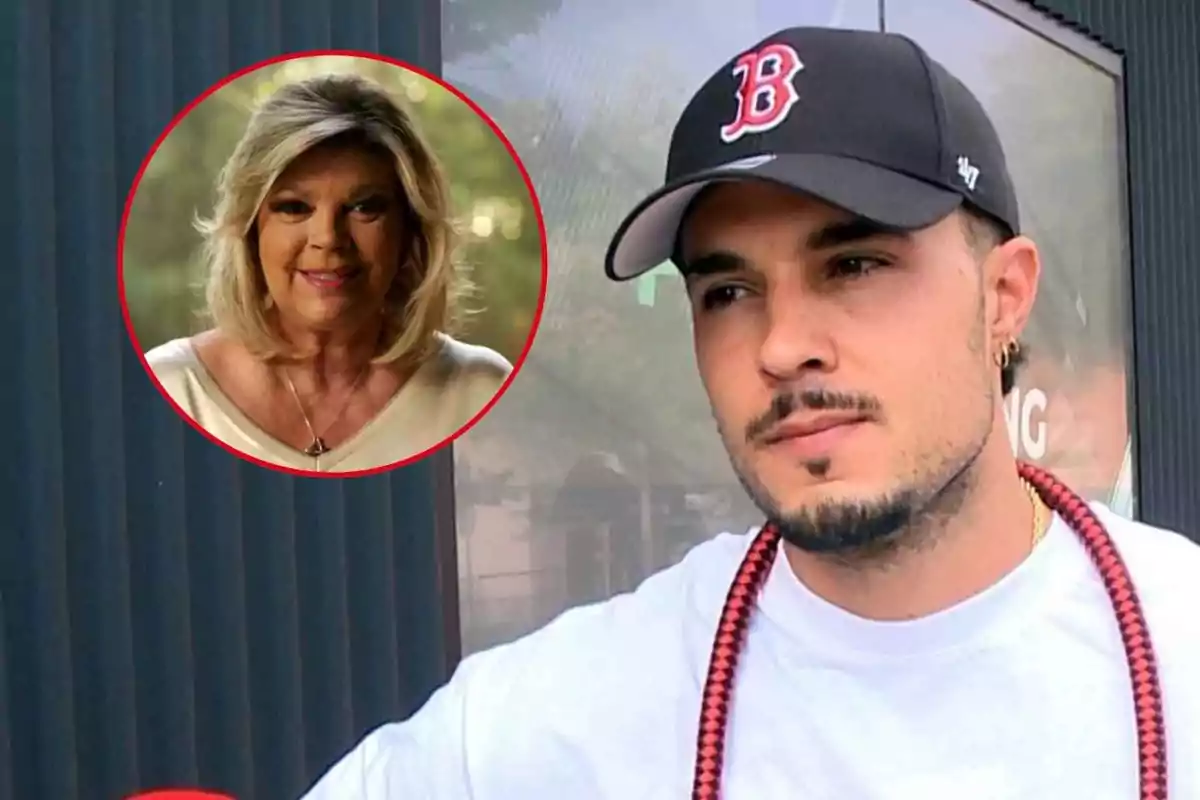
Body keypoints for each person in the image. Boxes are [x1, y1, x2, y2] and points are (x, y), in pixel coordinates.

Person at [300, 27, 1200, 798]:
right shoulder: (559, 723)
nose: (780, 345)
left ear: (1003, 297)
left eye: (853, 265)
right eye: (728, 289)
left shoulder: (1177, 652)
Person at [143, 73, 513, 473]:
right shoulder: (171, 386)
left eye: (363, 207)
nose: (328, 239)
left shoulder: (481, 391)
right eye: (294, 207)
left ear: (410, 230)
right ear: (249, 231)